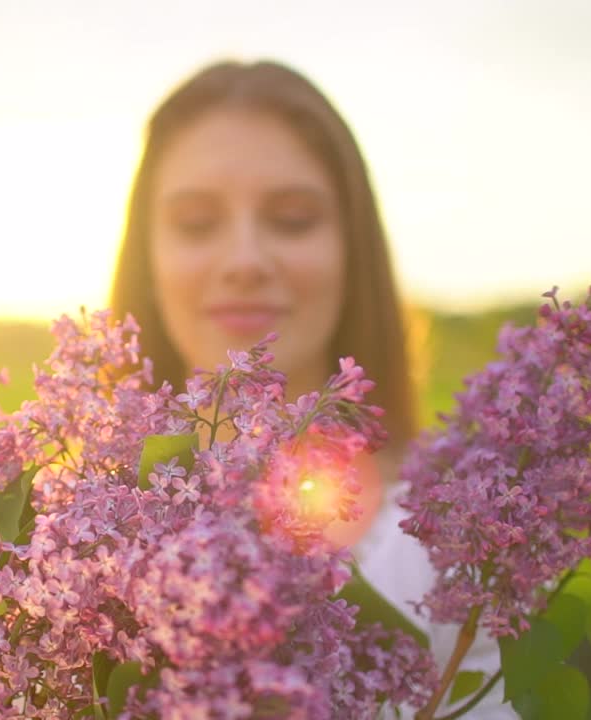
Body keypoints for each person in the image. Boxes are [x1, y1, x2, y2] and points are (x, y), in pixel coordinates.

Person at [109, 59, 512, 718]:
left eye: (293, 218)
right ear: (145, 257)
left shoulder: (461, 545)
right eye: (195, 222)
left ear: (352, 249)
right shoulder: (75, 545)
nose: (244, 260)